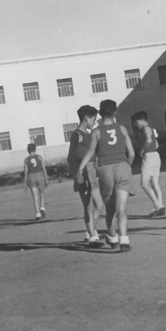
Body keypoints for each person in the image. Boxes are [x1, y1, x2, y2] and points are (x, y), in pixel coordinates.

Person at [76, 99, 135, 252]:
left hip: (105, 170)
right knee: (122, 208)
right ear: (115, 112)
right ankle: (124, 240)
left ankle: (113, 238)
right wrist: (127, 166)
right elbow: (132, 153)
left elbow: (90, 152)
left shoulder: (96, 132)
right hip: (122, 166)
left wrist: (80, 169)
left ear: (101, 113)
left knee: (110, 209)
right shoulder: (122, 129)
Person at [67, 105, 103, 246]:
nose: (95, 122)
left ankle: (90, 232)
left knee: (99, 204)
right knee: (88, 206)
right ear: (86, 118)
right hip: (82, 172)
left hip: (91, 171)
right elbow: (71, 157)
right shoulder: (77, 135)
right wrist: (76, 174)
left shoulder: (90, 134)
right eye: (93, 119)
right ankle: (92, 236)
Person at [132, 111, 165, 217]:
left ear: (142, 120)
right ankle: (159, 206)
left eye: (136, 122)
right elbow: (157, 144)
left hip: (149, 156)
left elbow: (149, 140)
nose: (135, 124)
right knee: (154, 183)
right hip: (155, 155)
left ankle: (158, 206)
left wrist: (142, 150)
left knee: (144, 184)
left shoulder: (145, 128)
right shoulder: (150, 129)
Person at [23, 143, 48, 220]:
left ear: (28, 150)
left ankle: (38, 214)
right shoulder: (39, 157)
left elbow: (26, 172)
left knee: (35, 196)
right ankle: (42, 207)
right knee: (42, 193)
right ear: (35, 149)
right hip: (39, 175)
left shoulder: (26, 160)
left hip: (31, 176)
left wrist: (25, 183)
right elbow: (44, 169)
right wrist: (46, 178)